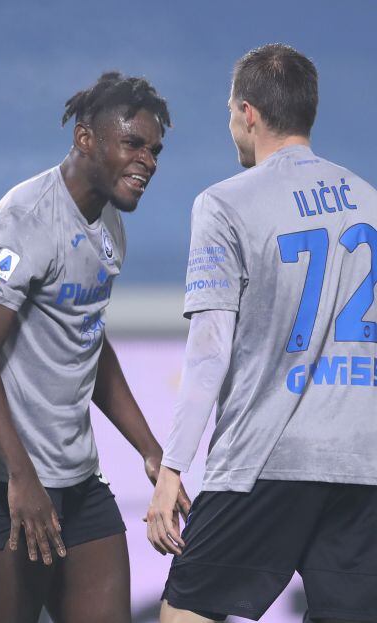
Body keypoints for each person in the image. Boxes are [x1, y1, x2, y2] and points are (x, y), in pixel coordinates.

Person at [0, 71, 190, 623]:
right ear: (85, 139)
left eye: (154, 150)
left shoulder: (109, 225)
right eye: (133, 143)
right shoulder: (24, 220)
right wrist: (21, 477)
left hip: (75, 477)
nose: (147, 161)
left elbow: (88, 339)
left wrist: (150, 450)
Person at [147, 43, 377, 623]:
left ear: (248, 113)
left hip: (264, 458)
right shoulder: (370, 202)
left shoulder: (225, 204)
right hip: (363, 462)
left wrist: (173, 468)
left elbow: (209, 352)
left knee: (186, 613)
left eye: (230, 112)